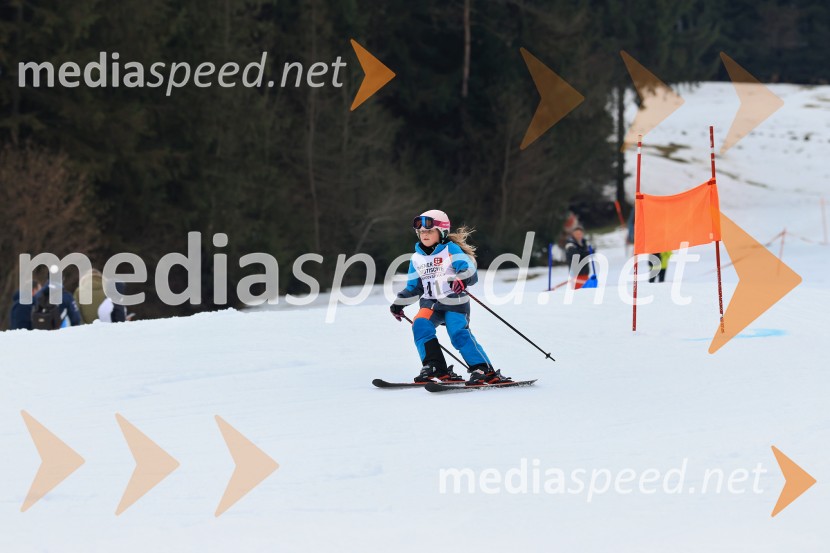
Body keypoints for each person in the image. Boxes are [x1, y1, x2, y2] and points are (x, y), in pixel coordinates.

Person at [389, 209, 512, 386]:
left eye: (429, 231)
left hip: (454, 302)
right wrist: (399, 303)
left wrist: (461, 278)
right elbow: (414, 287)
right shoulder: (416, 258)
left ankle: (483, 369)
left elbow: (470, 270)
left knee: (457, 333)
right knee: (420, 325)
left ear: (441, 232)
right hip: (430, 304)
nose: (424, 235)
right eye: (421, 232)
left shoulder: (450, 249)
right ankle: (435, 367)